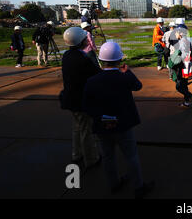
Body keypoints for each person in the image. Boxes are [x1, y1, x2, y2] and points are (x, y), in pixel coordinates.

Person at [83, 42, 154, 199]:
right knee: (131, 156)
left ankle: (114, 184)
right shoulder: (124, 77)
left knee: (108, 156)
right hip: (123, 125)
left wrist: (101, 118)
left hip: (102, 125)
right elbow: (138, 86)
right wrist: (127, 72)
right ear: (119, 60)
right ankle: (138, 187)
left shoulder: (92, 81)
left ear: (101, 60)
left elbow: (87, 105)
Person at [60, 27, 101, 169]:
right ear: (80, 41)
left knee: (77, 128)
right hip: (81, 100)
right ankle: (91, 158)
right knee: (86, 130)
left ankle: (76, 154)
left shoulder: (67, 55)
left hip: (70, 98)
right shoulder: (82, 58)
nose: (87, 40)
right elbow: (96, 74)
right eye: (85, 38)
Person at [169, 20, 192, 108]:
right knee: (184, 85)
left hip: (180, 66)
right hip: (186, 66)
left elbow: (180, 56)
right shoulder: (187, 41)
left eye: (176, 31)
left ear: (180, 33)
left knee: (179, 86)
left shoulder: (181, 42)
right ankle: (187, 102)